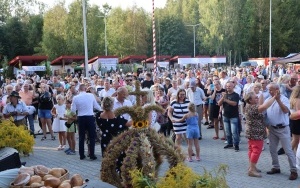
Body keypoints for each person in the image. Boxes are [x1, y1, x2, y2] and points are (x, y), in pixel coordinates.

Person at [264, 83, 298, 180]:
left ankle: (293, 170)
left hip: (283, 128)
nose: (270, 92)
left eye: (271, 90)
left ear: (277, 89)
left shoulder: (284, 99)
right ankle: (276, 167)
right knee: (272, 149)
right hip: (272, 128)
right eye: (268, 90)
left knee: (288, 151)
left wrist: (278, 100)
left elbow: (286, 111)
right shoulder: (268, 100)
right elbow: (265, 113)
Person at [244, 91, 277, 178]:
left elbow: (262, 104)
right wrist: (274, 97)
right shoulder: (253, 108)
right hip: (255, 132)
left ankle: (252, 166)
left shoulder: (249, 106)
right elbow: (265, 106)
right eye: (255, 98)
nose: (257, 98)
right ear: (250, 100)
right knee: (256, 150)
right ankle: (251, 170)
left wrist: (261, 95)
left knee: (251, 149)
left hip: (251, 131)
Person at [71, 84, 101, 160]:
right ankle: (92, 154)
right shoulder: (90, 95)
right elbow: (96, 106)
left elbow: (73, 110)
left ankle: (81, 155)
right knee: (92, 137)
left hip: (81, 117)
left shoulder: (75, 98)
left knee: (81, 137)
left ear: (79, 89)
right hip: (90, 117)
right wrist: (102, 110)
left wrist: (75, 114)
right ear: (85, 88)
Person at [218, 81, 240, 152]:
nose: (228, 88)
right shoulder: (225, 95)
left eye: (229, 86)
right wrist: (223, 98)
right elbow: (219, 103)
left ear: (233, 87)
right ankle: (230, 143)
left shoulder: (236, 95)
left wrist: (225, 100)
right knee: (227, 131)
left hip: (234, 116)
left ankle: (236, 144)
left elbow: (234, 103)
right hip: (226, 116)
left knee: (234, 132)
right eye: (227, 86)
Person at [289, 86, 300, 151]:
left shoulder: (292, 99)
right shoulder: (298, 100)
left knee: (295, 140)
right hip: (297, 121)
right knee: (296, 140)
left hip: (293, 121)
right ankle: (289, 153)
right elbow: (298, 111)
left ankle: (296, 156)